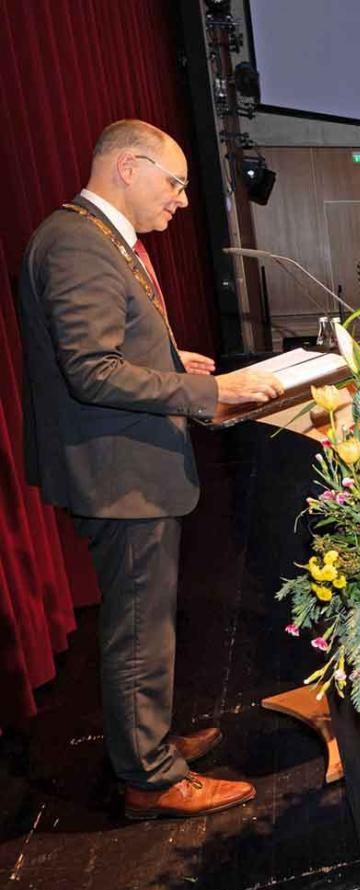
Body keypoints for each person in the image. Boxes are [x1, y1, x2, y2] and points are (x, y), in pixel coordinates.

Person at [18, 120, 285, 819]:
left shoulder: (96, 236)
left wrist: (172, 364)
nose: (183, 202)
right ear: (130, 168)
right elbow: (91, 371)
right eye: (176, 184)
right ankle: (149, 777)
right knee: (139, 627)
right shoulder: (78, 243)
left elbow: (113, 347)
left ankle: (150, 741)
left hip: (123, 462)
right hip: (119, 473)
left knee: (147, 621)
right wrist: (210, 392)